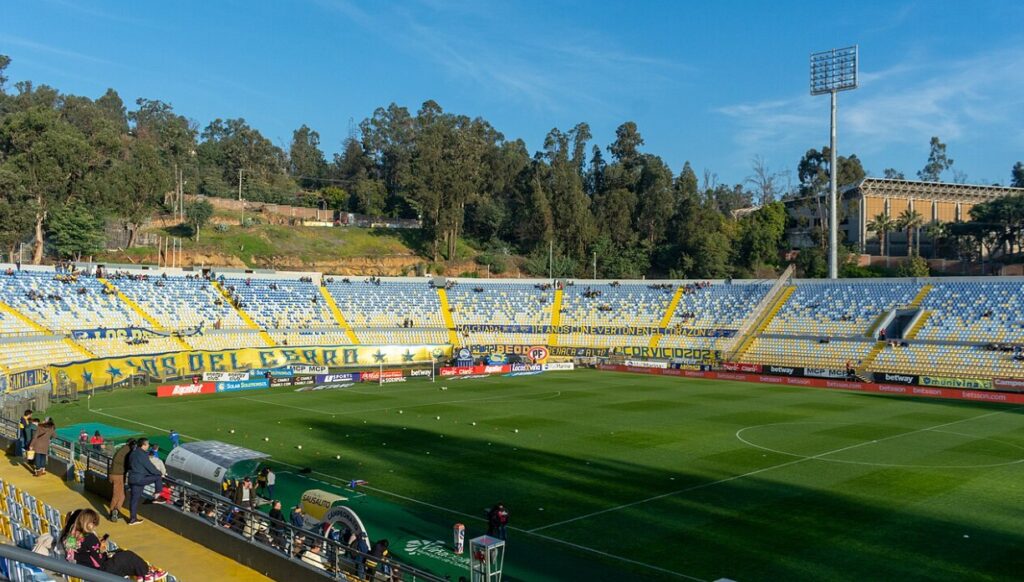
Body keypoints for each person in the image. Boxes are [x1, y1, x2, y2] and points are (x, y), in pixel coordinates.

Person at [60, 508, 163, 578]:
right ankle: (146, 573)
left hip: (84, 570)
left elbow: (79, 552)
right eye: (94, 523)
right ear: (88, 523)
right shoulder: (89, 537)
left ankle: (143, 573)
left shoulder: (71, 536)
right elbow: (99, 560)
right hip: (99, 572)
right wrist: (102, 549)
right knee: (126, 555)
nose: (95, 526)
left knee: (120, 553)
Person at [126, 438, 165, 525]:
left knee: (134, 500)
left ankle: (133, 519)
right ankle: (157, 496)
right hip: (139, 479)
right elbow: (150, 467)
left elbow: (133, 465)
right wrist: (159, 473)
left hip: (132, 478)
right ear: (143, 445)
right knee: (158, 476)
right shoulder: (142, 454)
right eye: (147, 445)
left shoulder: (133, 453)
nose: (148, 446)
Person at [108, 439, 135, 522]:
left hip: (115, 474)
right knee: (117, 495)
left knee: (122, 496)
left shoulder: (122, 449)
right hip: (118, 475)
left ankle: (116, 511)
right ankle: (112, 512)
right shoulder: (128, 451)